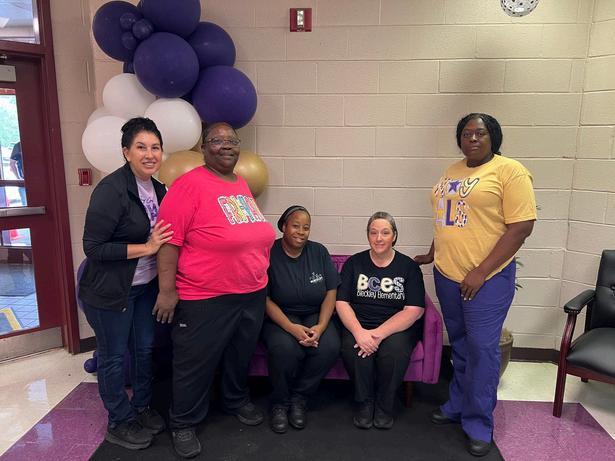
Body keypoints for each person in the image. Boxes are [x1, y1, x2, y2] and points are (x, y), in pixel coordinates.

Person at [415, 113, 536, 457]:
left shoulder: (509, 171)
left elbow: (521, 227)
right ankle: (457, 404)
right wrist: (432, 253)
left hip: (487, 280)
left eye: (480, 133)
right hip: (447, 275)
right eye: (466, 134)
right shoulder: (452, 171)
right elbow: (447, 219)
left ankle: (479, 422)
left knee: (482, 350)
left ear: (493, 137)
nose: (472, 139)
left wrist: (481, 271)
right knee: (461, 345)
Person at [153, 122, 276, 459]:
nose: (226, 145)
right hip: (205, 295)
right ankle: (183, 421)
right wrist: (167, 291)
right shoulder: (187, 186)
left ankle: (234, 399)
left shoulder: (240, 184)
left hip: (251, 292)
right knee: (194, 362)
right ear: (204, 147)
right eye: (217, 140)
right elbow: (168, 243)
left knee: (239, 355)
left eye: (232, 140)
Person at [79, 117, 173, 450]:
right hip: (109, 292)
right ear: (126, 152)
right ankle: (119, 421)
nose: (150, 154)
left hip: (144, 288)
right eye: (141, 147)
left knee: (144, 349)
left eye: (155, 147)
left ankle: (141, 407)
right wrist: (146, 248)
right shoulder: (111, 190)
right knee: (114, 357)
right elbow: (93, 248)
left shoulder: (159, 189)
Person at [336, 211, 425, 430]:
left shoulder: (409, 267)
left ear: (394, 236)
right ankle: (365, 403)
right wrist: (359, 332)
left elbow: (414, 310)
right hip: (359, 323)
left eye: (385, 233)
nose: (378, 238)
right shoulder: (354, 263)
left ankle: (385, 406)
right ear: (367, 235)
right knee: (354, 349)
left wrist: (377, 335)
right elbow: (342, 303)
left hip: (397, 327)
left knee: (393, 352)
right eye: (373, 232)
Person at [263, 205, 340, 434]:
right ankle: (279, 403)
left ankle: (299, 398)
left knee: (329, 346)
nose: (301, 232)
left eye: (306, 227)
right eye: (295, 226)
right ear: (283, 227)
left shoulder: (319, 251)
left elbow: (331, 291)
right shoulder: (268, 252)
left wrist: (322, 326)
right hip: (280, 314)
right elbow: (265, 299)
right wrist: (290, 327)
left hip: (315, 313)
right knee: (285, 349)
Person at [9, 141, 27, 206]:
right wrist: (18, 178)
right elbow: (12, 164)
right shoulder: (18, 145)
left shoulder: (18, 145)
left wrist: (18, 178)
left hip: (23, 180)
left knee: (26, 206)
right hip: (25, 181)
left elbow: (12, 163)